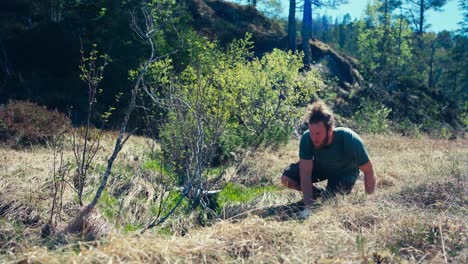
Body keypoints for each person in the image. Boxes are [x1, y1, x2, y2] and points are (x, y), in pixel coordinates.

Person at [281, 101, 376, 217]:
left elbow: (368, 170)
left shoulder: (350, 139)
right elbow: (305, 174)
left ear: (330, 130)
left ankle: (327, 195)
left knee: (330, 204)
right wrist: (307, 209)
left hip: (344, 173)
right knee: (287, 179)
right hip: (322, 167)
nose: (314, 138)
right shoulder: (307, 138)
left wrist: (369, 202)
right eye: (311, 133)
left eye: (318, 133)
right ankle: (316, 194)